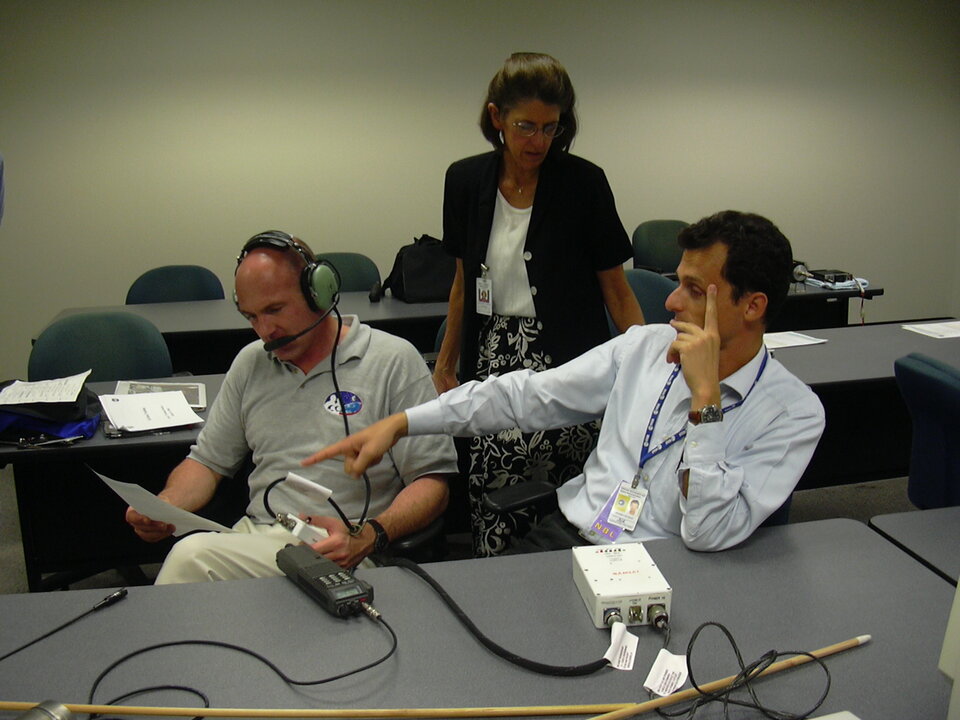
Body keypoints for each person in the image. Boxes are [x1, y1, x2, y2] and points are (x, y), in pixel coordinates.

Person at [305, 211, 826, 553]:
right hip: (573, 534)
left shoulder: (794, 414)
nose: (669, 301)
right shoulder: (642, 348)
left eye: (692, 289)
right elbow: (526, 396)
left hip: (673, 565)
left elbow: (708, 533)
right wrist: (402, 423)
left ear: (752, 305)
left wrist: (706, 400)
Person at [126, 230, 458, 582]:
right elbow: (206, 463)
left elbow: (431, 482)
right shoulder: (250, 363)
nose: (265, 330)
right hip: (258, 540)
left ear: (319, 293)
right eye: (251, 317)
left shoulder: (392, 360)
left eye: (275, 310)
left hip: (347, 550)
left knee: (190, 558)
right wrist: (167, 505)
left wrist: (371, 534)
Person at [432, 52, 645, 556]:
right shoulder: (464, 181)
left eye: (552, 128)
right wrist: (445, 364)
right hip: (494, 357)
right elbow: (463, 282)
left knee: (572, 496)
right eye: (526, 126)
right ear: (496, 117)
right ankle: (501, 586)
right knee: (496, 484)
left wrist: (645, 363)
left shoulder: (583, 183)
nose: (538, 142)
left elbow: (616, 289)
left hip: (571, 357)